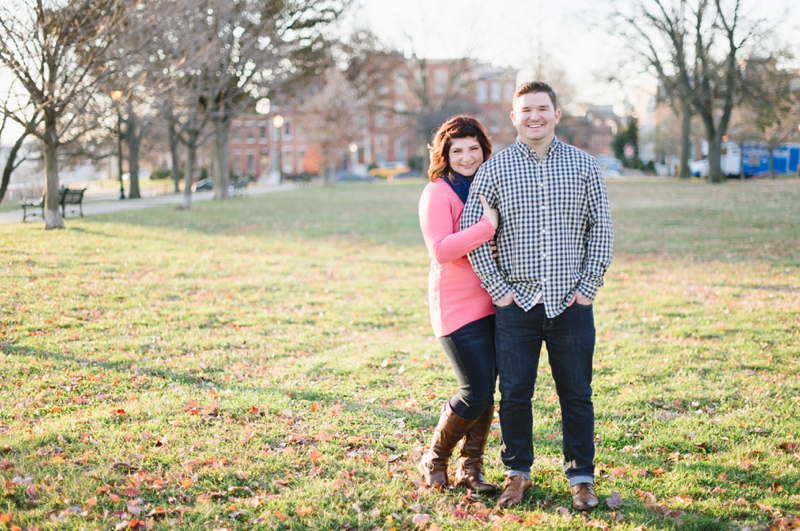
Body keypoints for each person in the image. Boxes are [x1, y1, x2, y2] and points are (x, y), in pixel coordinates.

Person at [461, 81, 614, 510]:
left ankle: (581, 477)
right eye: (525, 109)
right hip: (517, 307)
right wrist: (500, 292)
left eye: (542, 108)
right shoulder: (495, 170)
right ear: (514, 117)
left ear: (556, 114)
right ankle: (517, 473)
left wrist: (587, 290)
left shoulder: (584, 166)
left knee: (577, 395)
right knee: (514, 395)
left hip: (571, 305)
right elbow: (473, 236)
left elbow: (599, 230)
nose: (534, 116)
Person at [417, 115, 499, 494]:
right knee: (475, 390)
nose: (467, 157)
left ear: (483, 150)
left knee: (487, 389)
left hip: (495, 302)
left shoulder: (489, 186)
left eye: (473, 149)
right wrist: (487, 228)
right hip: (456, 307)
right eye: (457, 150)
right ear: (445, 155)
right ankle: (435, 458)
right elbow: (441, 248)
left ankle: (472, 470)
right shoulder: (438, 193)